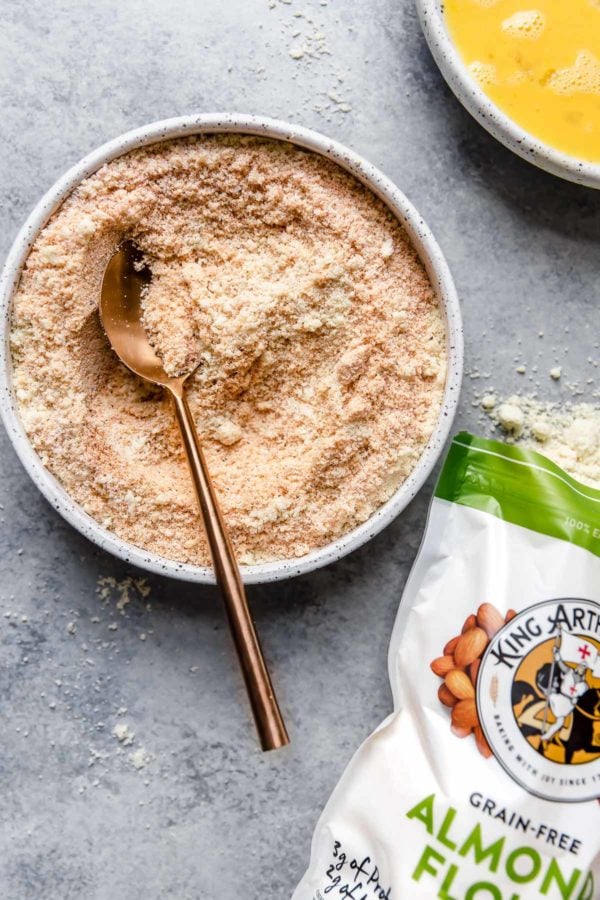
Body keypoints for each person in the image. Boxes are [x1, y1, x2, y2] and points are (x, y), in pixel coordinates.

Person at [541, 646, 589, 743]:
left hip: (568, 704)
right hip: (559, 698)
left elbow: (584, 698)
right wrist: (557, 655)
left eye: (583, 668)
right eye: (581, 666)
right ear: (578, 666)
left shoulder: (584, 685)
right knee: (549, 695)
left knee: (560, 722)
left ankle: (547, 736)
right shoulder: (569, 672)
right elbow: (561, 664)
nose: (581, 669)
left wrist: (576, 699)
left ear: (585, 670)